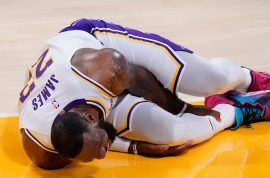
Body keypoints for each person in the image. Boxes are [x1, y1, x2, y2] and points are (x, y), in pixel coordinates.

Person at [18, 18, 270, 169]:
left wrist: (182, 108)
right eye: (95, 156)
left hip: (103, 46)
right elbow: (88, 143)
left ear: (92, 118)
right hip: (94, 96)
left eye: (99, 148)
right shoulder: (43, 150)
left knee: (210, 80)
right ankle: (234, 109)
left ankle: (247, 78)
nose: (102, 155)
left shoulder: (103, 69)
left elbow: (137, 76)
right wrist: (134, 148)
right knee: (174, 135)